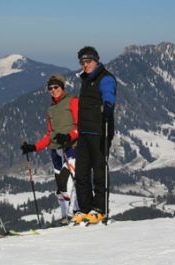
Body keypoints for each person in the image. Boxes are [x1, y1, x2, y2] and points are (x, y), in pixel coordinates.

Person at [21, 74, 79, 225]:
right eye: (50, 88)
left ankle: (75, 213)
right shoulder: (51, 109)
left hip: (71, 149)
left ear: (62, 87)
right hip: (56, 151)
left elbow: (81, 127)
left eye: (56, 87)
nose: (53, 90)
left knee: (68, 183)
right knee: (60, 188)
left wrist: (69, 136)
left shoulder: (72, 101)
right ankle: (65, 216)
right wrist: (34, 147)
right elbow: (49, 135)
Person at [71, 46, 117, 225]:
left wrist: (108, 106)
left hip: (100, 132)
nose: (85, 65)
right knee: (81, 173)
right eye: (82, 62)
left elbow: (109, 93)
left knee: (99, 172)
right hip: (84, 133)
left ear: (96, 60)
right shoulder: (86, 80)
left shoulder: (105, 77)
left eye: (88, 61)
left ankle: (99, 209)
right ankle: (85, 209)